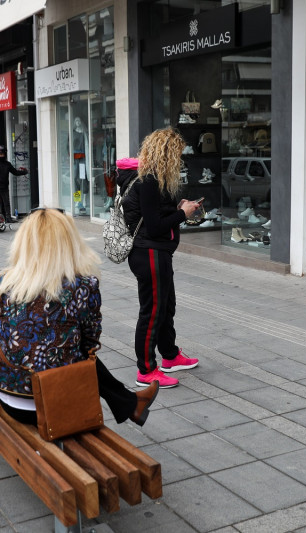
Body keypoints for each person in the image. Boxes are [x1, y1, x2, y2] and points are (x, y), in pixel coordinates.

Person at [0, 208, 159, 427]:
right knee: (79, 350)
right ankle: (130, 404)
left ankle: (130, 403)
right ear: (68, 242)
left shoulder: (4, 280)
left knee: (59, 346)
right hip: (52, 403)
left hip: (8, 396)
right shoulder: (82, 286)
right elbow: (90, 343)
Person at [118, 128, 201, 389]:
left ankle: (170, 356)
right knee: (152, 313)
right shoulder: (149, 181)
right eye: (177, 154)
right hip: (150, 253)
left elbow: (154, 215)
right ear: (167, 154)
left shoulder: (152, 179)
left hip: (157, 252)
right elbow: (154, 227)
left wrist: (177, 209)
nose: (180, 159)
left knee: (166, 308)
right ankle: (146, 370)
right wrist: (182, 214)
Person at [0, 146, 27, 223]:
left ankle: (8, 217)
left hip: (4, 186)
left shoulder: (7, 164)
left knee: (6, 203)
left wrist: (24, 172)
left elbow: (15, 172)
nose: (2, 155)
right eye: (0, 154)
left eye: (3, 154)